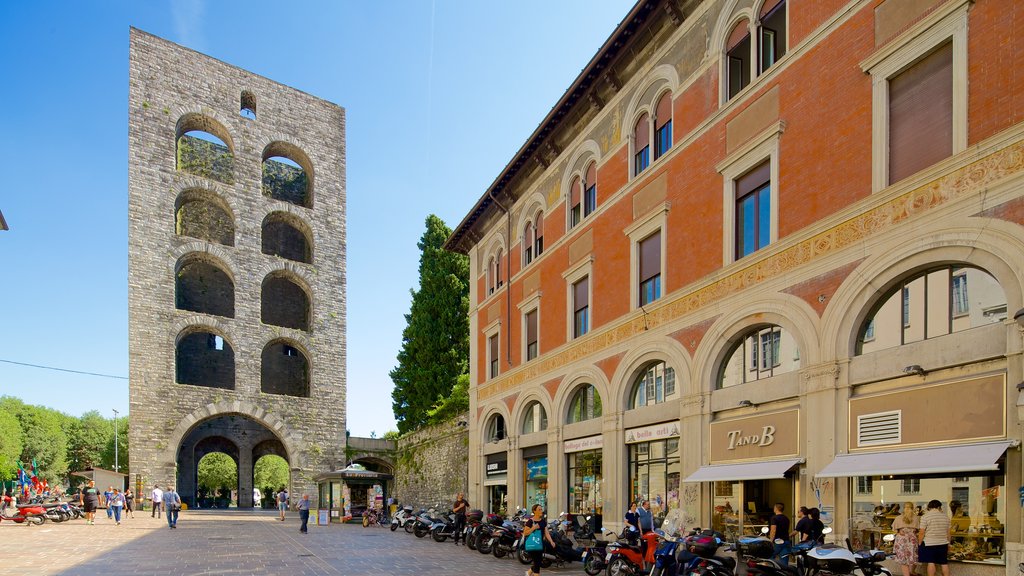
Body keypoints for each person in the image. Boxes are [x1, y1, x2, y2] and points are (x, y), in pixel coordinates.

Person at [918, 500, 950, 576]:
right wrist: (949, 543)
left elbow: (922, 532)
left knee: (931, 562)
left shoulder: (925, 517)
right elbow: (948, 533)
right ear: (939, 507)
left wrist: (919, 543)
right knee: (944, 563)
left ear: (929, 507)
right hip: (943, 543)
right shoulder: (946, 517)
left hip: (929, 543)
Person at [523, 504, 557, 576]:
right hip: (532, 545)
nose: (541, 511)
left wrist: (551, 541)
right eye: (539, 510)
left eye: (541, 509)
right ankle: (533, 574)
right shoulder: (530, 521)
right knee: (537, 562)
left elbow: (546, 533)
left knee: (538, 562)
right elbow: (525, 533)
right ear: (534, 511)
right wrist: (533, 528)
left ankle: (529, 573)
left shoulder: (543, 521)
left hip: (540, 544)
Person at [893, 501, 920, 576]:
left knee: (903, 560)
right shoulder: (916, 518)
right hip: (912, 540)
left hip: (901, 540)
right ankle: (912, 572)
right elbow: (918, 530)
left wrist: (899, 532)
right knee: (912, 557)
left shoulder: (898, 518)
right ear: (912, 508)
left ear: (903, 508)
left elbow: (894, 530)